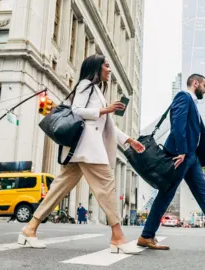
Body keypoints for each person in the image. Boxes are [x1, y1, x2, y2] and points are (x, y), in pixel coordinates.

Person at [18, 54, 145, 254]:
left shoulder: (96, 90)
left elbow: (106, 125)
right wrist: (105, 109)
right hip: (87, 149)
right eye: (106, 66)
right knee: (107, 187)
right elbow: (77, 111)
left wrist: (128, 139)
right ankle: (118, 237)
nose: (109, 70)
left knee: (57, 190)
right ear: (96, 67)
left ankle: (29, 229)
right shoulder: (86, 85)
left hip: (82, 151)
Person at [137, 74, 205, 251]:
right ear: (195, 83)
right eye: (204, 85)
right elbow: (178, 124)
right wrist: (181, 150)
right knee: (166, 194)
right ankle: (146, 235)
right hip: (182, 155)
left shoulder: (193, 103)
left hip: (192, 157)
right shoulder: (183, 96)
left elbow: (192, 129)